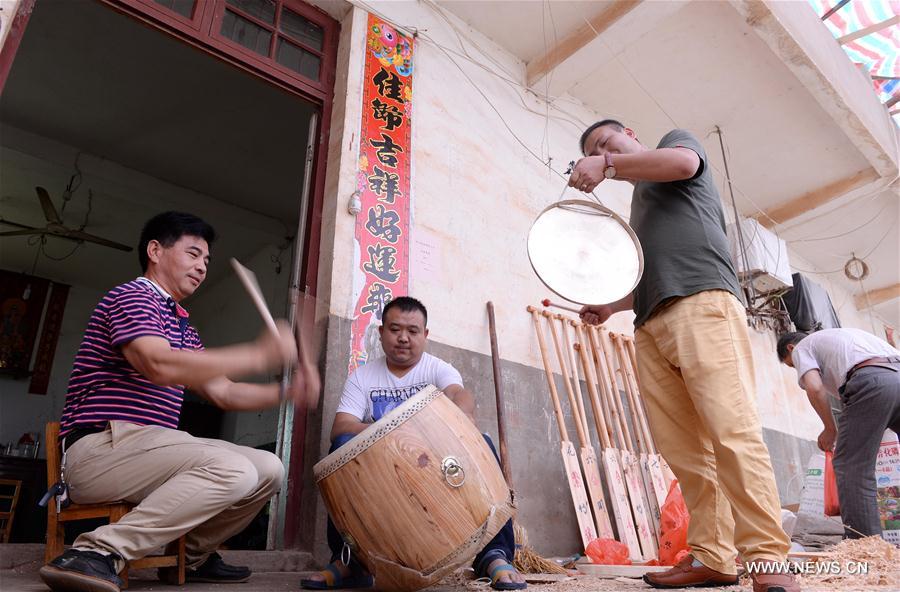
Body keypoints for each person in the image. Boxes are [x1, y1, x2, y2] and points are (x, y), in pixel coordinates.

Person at [39, 211, 319, 592]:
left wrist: (289, 392)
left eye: (206, 260)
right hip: (100, 450)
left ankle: (191, 558)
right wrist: (258, 355)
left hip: (150, 450)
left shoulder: (183, 325)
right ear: (155, 250)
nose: (202, 267)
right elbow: (156, 363)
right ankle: (97, 552)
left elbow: (224, 391)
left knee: (269, 468)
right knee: (233, 469)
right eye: (192, 254)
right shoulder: (133, 296)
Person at [570, 120, 796, 592]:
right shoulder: (640, 207)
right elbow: (656, 271)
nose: (601, 150)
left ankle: (767, 561)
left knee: (732, 433)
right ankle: (713, 557)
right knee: (685, 452)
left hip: (704, 303)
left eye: (606, 141)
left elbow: (685, 163)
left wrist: (606, 163)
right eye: (594, 150)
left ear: (630, 133)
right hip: (650, 324)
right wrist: (612, 306)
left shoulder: (675, 146)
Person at [300, 297, 525, 591]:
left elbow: (459, 395)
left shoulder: (437, 369)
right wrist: (394, 434)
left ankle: (494, 554)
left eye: (413, 331)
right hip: (385, 472)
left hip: (433, 467)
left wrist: (463, 414)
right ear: (381, 333)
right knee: (341, 447)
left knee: (481, 441)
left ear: (425, 335)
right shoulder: (363, 377)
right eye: (395, 329)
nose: (403, 338)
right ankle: (350, 561)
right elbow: (340, 426)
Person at [777, 329, 900, 538]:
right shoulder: (846, 337)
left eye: (792, 365)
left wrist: (830, 428)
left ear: (791, 348)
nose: (797, 369)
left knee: (850, 465)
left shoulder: (802, 347)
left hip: (872, 381)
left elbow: (814, 388)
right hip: (893, 373)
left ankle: (865, 547)